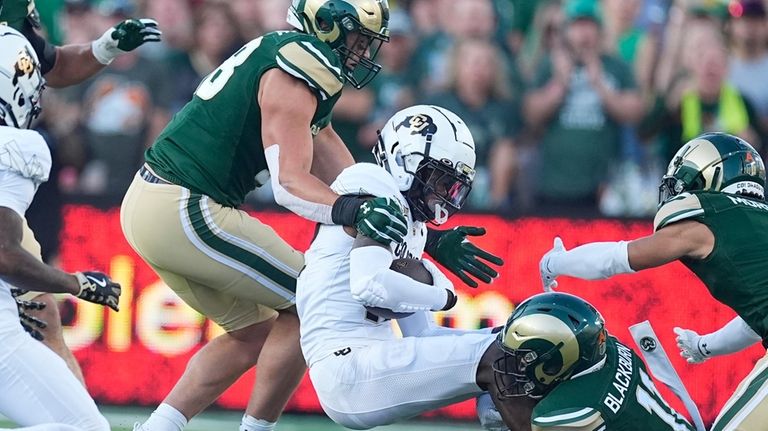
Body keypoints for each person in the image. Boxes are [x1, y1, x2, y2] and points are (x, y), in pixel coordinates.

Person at [122, 1, 403, 431]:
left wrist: (402, 220)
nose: (362, 54)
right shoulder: (302, 65)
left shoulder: (285, 53)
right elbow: (290, 183)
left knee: (253, 332)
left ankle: (158, 427)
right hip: (185, 203)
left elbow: (339, 167)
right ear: (325, 26)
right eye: (358, 41)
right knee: (309, 301)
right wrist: (354, 211)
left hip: (153, 201)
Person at [296, 104, 527, 430]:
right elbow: (369, 285)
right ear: (406, 159)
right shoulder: (371, 180)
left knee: (517, 349)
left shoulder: (413, 225)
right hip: (347, 365)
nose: (446, 194)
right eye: (441, 179)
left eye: (453, 185)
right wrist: (445, 295)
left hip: (373, 361)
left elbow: (422, 333)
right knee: (502, 359)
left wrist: (497, 334)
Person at [539, 132, 768, 431]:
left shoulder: (709, 218)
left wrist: (558, 261)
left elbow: (618, 258)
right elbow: (758, 316)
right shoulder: (756, 224)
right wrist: (705, 346)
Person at [0, 0, 161, 384]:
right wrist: (76, 283)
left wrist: (105, 47)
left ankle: (78, 419)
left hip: (6, 166)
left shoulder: (16, 23)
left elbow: (51, 65)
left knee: (41, 311)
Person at [0, 24, 121, 431]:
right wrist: (76, 283)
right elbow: (2, 253)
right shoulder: (14, 147)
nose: (38, 90)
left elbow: (54, 59)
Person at [494, 291, 694, 431]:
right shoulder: (610, 349)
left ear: (555, 363)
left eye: (525, 357)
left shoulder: (564, 412)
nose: (519, 366)